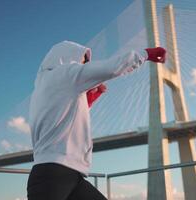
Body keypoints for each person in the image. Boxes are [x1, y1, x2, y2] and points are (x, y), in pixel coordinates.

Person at [27, 40, 166, 200]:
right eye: (83, 60)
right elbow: (111, 68)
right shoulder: (65, 73)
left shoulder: (45, 86)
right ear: (67, 56)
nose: (85, 64)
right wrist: (146, 54)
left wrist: (88, 101)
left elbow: (63, 118)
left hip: (68, 175)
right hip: (52, 175)